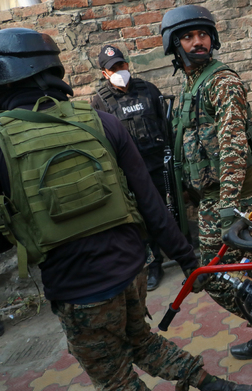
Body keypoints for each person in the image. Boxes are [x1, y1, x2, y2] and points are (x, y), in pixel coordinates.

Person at [0, 28, 252, 391]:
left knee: (116, 379)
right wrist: (186, 259)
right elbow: (151, 204)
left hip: (79, 288)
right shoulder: (99, 120)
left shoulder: (3, 140)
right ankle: (217, 385)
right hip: (131, 270)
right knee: (142, 340)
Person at [160, 5, 252, 375]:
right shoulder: (191, 85)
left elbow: (234, 147)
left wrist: (227, 212)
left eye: (203, 34)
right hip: (211, 198)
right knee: (239, 276)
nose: (198, 42)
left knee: (218, 277)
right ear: (174, 45)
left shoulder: (222, 82)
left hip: (232, 198)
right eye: (188, 37)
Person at [91, 45, 168, 291]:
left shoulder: (149, 90)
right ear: (105, 73)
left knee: (164, 212)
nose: (119, 70)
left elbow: (166, 125)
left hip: (157, 167)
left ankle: (181, 252)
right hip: (128, 174)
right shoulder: (100, 101)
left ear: (127, 64)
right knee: (142, 221)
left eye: (121, 65)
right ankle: (154, 265)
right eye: (112, 68)